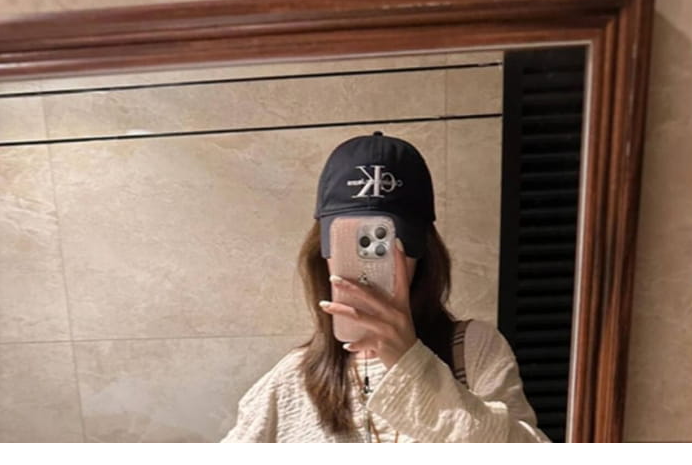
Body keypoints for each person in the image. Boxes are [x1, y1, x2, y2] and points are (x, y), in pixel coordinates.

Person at [220, 131, 551, 443]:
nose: (371, 263)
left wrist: (411, 363)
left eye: (390, 241)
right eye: (353, 244)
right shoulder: (291, 379)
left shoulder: (473, 349)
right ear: (322, 253)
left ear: (423, 251)